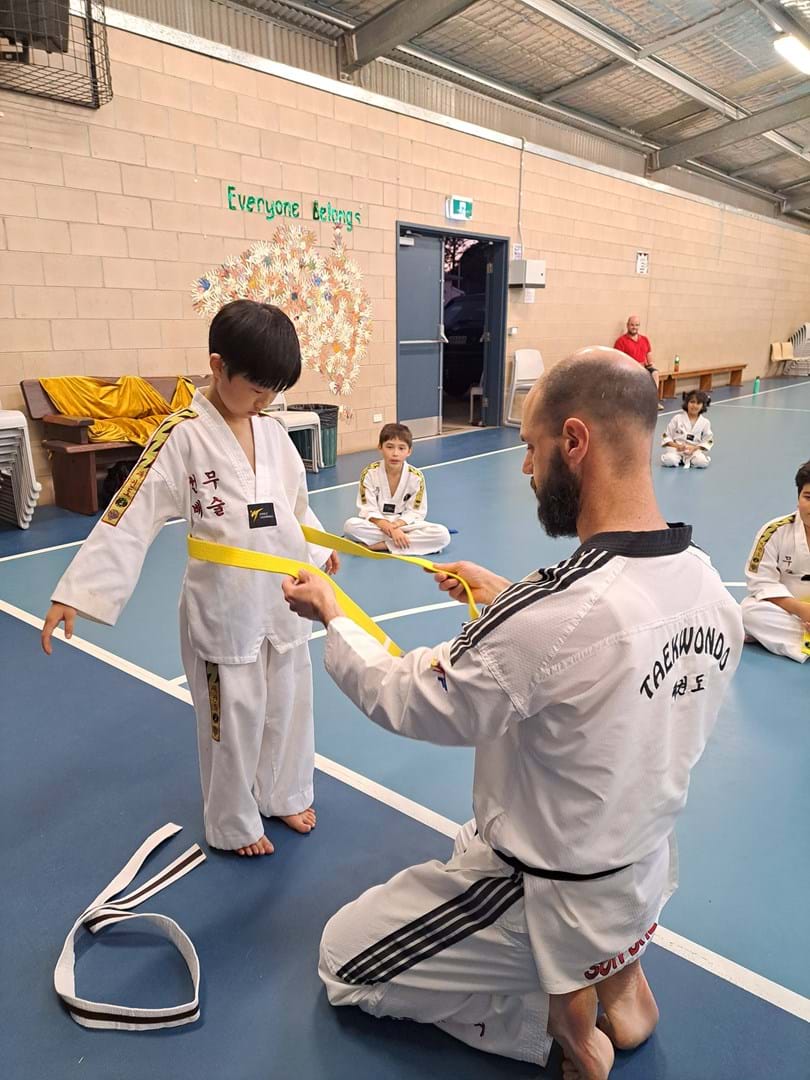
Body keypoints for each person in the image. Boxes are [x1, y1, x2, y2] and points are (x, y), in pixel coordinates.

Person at [283, 348, 743, 1080]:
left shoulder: (555, 614)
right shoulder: (709, 590)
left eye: (531, 448)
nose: (527, 470)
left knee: (345, 962)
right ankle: (621, 975)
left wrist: (334, 616)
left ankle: (562, 1024)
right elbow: (596, 656)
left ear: (575, 442)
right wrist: (502, 596)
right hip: (639, 866)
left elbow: (415, 699)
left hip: (547, 884)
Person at [40, 300, 339, 857]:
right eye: (256, 388)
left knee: (290, 702)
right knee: (233, 719)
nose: (265, 401)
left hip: (283, 598)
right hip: (224, 607)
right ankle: (232, 821)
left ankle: (284, 791)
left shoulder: (272, 431)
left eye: (273, 391)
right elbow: (131, 514)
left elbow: (293, 504)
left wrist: (316, 547)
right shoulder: (181, 435)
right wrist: (76, 590)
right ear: (218, 365)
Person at [343, 423, 450, 556]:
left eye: (401, 448)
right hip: (379, 524)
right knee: (350, 526)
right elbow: (368, 509)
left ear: (409, 451)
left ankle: (382, 545)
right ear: (380, 447)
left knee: (442, 534)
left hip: (405, 524)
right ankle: (402, 543)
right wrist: (391, 529)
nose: (395, 453)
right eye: (389, 447)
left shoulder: (416, 476)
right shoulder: (369, 473)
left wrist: (397, 526)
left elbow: (415, 512)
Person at [741, 460, 810, 664]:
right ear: (798, 498)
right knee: (747, 613)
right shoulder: (774, 532)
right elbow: (761, 584)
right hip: (790, 611)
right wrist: (802, 610)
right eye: (808, 497)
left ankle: (785, 639)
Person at [613, 315, 664, 409]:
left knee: (655, 373)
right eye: (632, 325)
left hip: (643, 367)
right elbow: (618, 359)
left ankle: (652, 400)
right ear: (627, 325)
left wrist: (651, 363)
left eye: (636, 325)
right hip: (629, 369)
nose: (634, 327)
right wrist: (634, 365)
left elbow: (649, 354)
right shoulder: (621, 341)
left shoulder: (645, 339)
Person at [661, 390, 713, 468]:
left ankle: (690, 460)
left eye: (698, 403)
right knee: (669, 460)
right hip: (677, 449)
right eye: (692, 402)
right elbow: (666, 436)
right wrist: (677, 446)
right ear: (687, 403)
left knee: (702, 463)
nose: (695, 405)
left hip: (693, 451)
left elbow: (708, 440)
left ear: (703, 406)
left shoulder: (705, 422)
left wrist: (695, 448)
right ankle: (677, 458)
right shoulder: (677, 418)